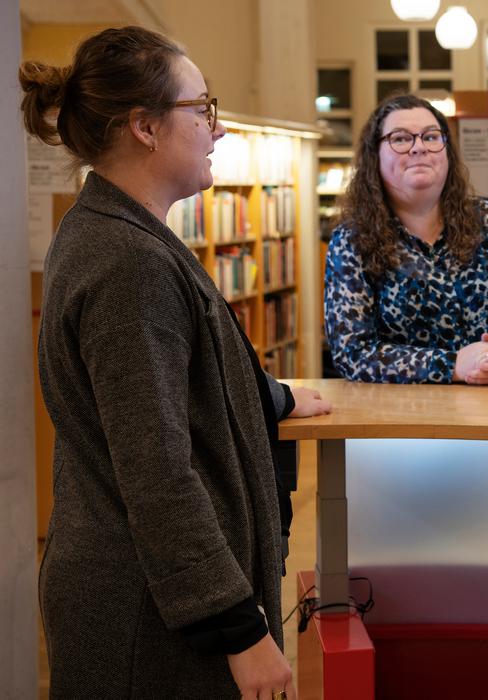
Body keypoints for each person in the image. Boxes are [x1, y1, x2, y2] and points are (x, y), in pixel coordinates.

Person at [20, 26, 331, 699]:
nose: (216, 130)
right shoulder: (129, 263)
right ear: (145, 127)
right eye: (203, 109)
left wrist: (271, 398)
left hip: (150, 601)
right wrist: (237, 629)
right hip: (150, 620)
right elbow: (157, 469)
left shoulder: (116, 232)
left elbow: (171, 381)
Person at [324, 94, 488, 384]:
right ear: (374, 155)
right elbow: (351, 352)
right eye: (401, 139)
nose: (419, 148)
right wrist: (452, 365)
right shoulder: (352, 241)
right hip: (403, 421)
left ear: (447, 151)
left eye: (430, 137)